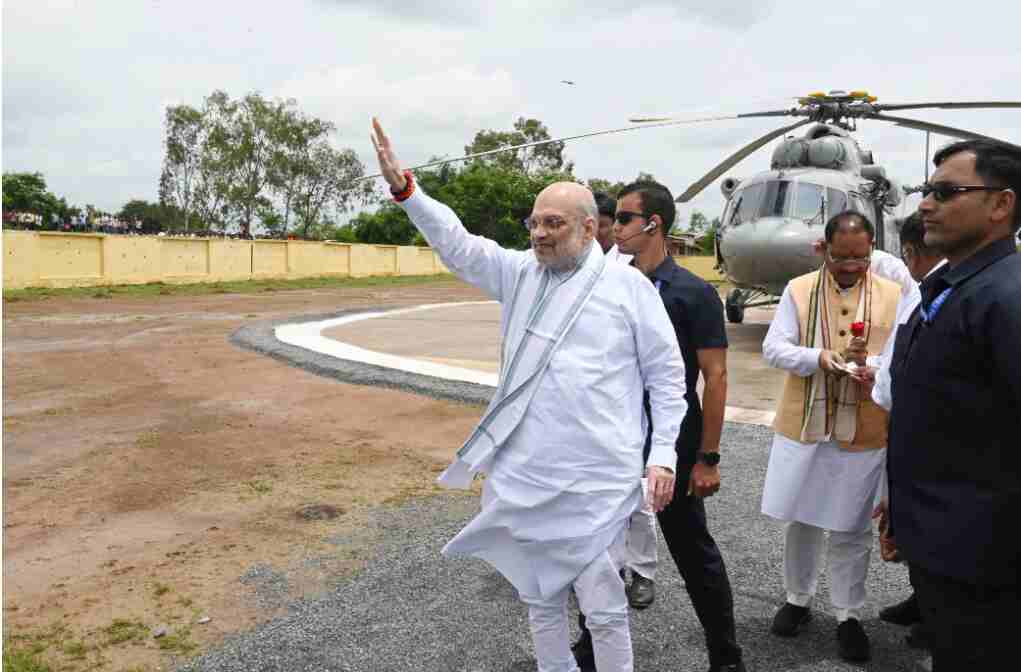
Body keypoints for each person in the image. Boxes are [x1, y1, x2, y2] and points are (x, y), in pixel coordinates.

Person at [370, 118, 688, 672]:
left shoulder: (628, 287)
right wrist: (408, 193)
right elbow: (459, 244)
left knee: (604, 605)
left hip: (596, 475)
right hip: (525, 471)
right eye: (535, 223)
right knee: (539, 596)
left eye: (554, 223)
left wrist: (663, 455)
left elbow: (667, 378)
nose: (539, 233)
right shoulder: (519, 274)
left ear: (590, 229)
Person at [575, 180, 745, 672]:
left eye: (624, 219)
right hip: (614, 439)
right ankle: (589, 650)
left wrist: (707, 457)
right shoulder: (605, 284)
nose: (614, 227)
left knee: (693, 552)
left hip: (672, 442)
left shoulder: (693, 293)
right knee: (599, 551)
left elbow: (715, 376)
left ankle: (726, 655)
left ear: (654, 225)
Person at [886, 138, 1021, 669]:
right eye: (926, 190)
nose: (924, 204)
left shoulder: (1005, 297)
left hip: (986, 557)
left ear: (1000, 205)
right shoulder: (951, 285)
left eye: (946, 192)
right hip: (944, 543)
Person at [761, 210, 902, 663]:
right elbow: (774, 347)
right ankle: (797, 599)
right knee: (801, 519)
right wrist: (820, 357)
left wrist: (871, 368)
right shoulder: (798, 289)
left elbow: (902, 357)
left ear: (872, 252)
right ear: (825, 249)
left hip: (863, 427)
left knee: (851, 526)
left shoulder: (897, 294)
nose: (849, 267)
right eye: (841, 257)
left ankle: (848, 614)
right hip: (805, 424)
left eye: (859, 259)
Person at [865, 210, 946, 651]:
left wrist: (877, 378)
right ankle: (924, 600)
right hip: (909, 425)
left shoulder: (937, 295)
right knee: (908, 521)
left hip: (926, 434)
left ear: (910, 252)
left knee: (927, 527)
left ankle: (938, 617)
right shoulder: (925, 292)